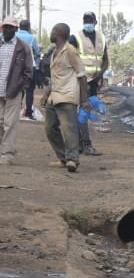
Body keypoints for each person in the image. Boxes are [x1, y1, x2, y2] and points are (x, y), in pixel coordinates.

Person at [43, 23, 87, 173]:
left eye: (53, 31)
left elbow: (82, 76)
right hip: (54, 97)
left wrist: (84, 100)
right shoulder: (54, 51)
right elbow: (54, 76)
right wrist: (46, 93)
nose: (51, 34)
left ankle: (72, 160)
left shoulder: (70, 51)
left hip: (67, 96)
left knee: (69, 130)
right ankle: (63, 158)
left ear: (59, 33)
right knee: (50, 129)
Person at [68, 11, 108, 156]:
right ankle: (85, 145)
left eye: (90, 20)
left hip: (94, 83)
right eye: (85, 20)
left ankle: (80, 144)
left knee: (84, 112)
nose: (88, 22)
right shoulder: (75, 38)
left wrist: (101, 73)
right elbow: (68, 56)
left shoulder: (101, 39)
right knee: (83, 112)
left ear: (95, 22)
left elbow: (106, 60)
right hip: (80, 81)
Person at [0, 16, 35, 165]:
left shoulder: (23, 47)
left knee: (10, 124)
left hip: (13, 92)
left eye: (10, 27)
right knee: (1, 123)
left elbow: (29, 72)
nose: (7, 30)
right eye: (5, 27)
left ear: (15, 29)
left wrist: (21, 87)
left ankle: (7, 155)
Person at [15, 20, 41, 120]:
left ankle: (16, 110)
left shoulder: (14, 36)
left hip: (16, 67)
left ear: (19, 27)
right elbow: (38, 52)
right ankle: (29, 113)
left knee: (17, 90)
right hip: (29, 67)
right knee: (30, 91)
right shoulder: (32, 38)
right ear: (29, 28)